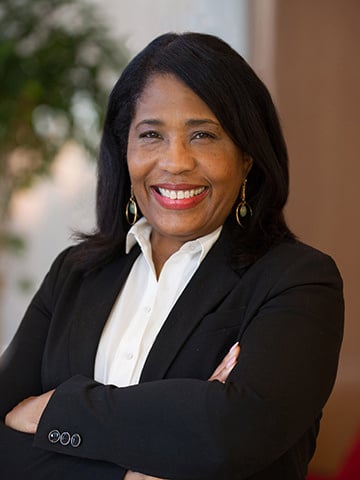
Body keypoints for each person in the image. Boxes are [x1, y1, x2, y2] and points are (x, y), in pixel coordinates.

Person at [0, 32, 343, 480]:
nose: (175, 162)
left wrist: (55, 410)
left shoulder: (298, 281)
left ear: (248, 157)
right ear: (124, 151)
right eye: (151, 135)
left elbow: (231, 434)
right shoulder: (76, 273)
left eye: (203, 135)